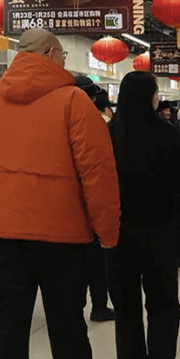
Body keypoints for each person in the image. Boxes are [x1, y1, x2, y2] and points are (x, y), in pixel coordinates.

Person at [0, 28, 120, 359]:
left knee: (7, 322)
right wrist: (108, 232)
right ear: (52, 53)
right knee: (67, 320)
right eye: (64, 56)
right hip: (62, 234)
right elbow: (98, 173)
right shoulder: (74, 101)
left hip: (4, 231)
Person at [106, 71, 180, 359]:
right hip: (160, 232)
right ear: (150, 97)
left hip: (117, 233)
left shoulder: (108, 135)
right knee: (164, 302)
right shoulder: (167, 133)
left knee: (126, 307)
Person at [73, 75, 116, 322]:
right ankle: (98, 305)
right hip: (88, 200)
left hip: (64, 202)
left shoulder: (57, 117)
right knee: (96, 259)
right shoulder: (95, 123)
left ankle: (74, 306)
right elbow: (98, 170)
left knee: (71, 262)